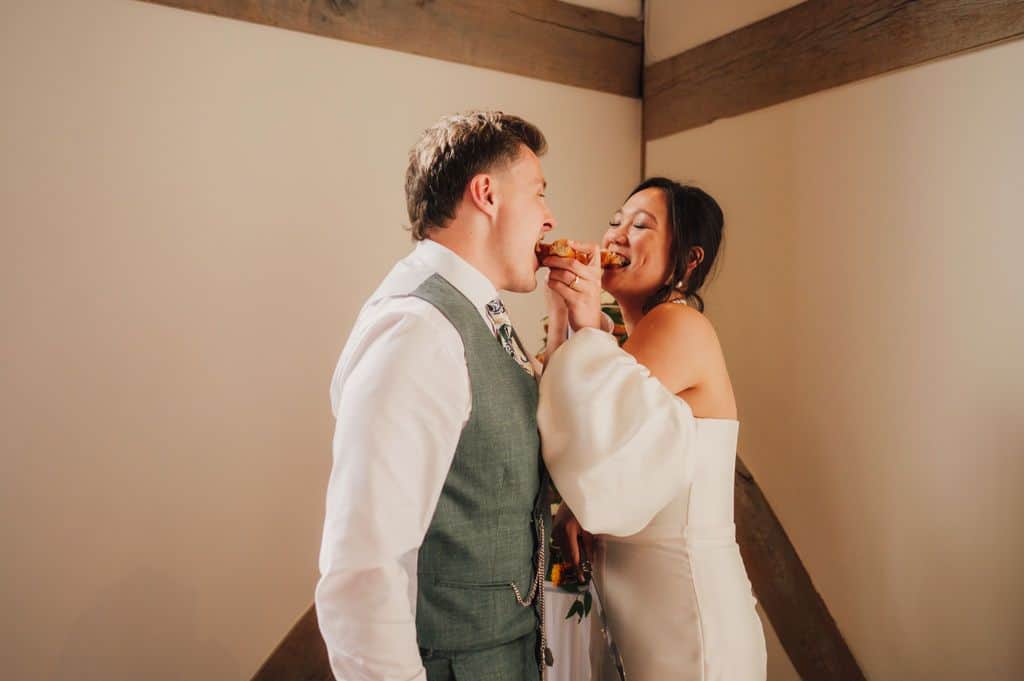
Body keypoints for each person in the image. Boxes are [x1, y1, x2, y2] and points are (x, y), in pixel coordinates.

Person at [316, 111, 557, 681]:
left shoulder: (471, 313)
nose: (549, 220)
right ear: (487, 194)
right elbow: (363, 569)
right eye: (539, 194)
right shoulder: (420, 330)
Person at [538, 177, 767, 681]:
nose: (617, 235)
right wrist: (562, 315)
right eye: (616, 220)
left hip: (686, 613)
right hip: (643, 609)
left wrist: (579, 312)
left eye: (641, 226)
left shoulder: (676, 325)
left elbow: (589, 430)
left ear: (688, 261)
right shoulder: (624, 347)